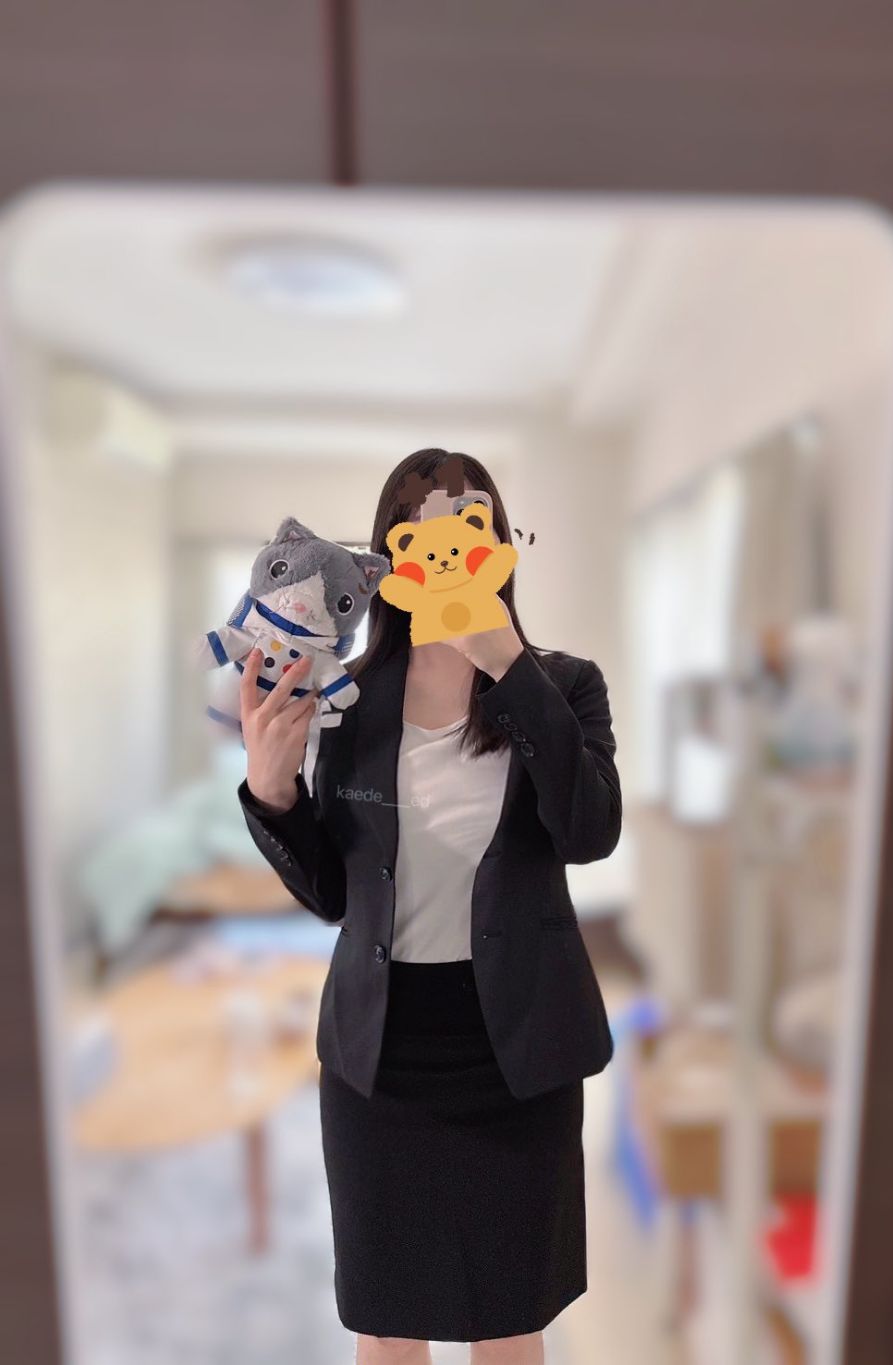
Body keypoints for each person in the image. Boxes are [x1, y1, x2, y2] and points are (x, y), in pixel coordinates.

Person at [237, 448, 621, 1364]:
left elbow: (590, 831)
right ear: (390, 555)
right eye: (421, 532)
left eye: (468, 526)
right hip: (381, 1060)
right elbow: (334, 893)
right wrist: (272, 789)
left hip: (518, 1052)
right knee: (387, 1321)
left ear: (497, 542)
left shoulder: (564, 684)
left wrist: (506, 662)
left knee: (512, 1318)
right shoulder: (350, 697)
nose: (446, 549)